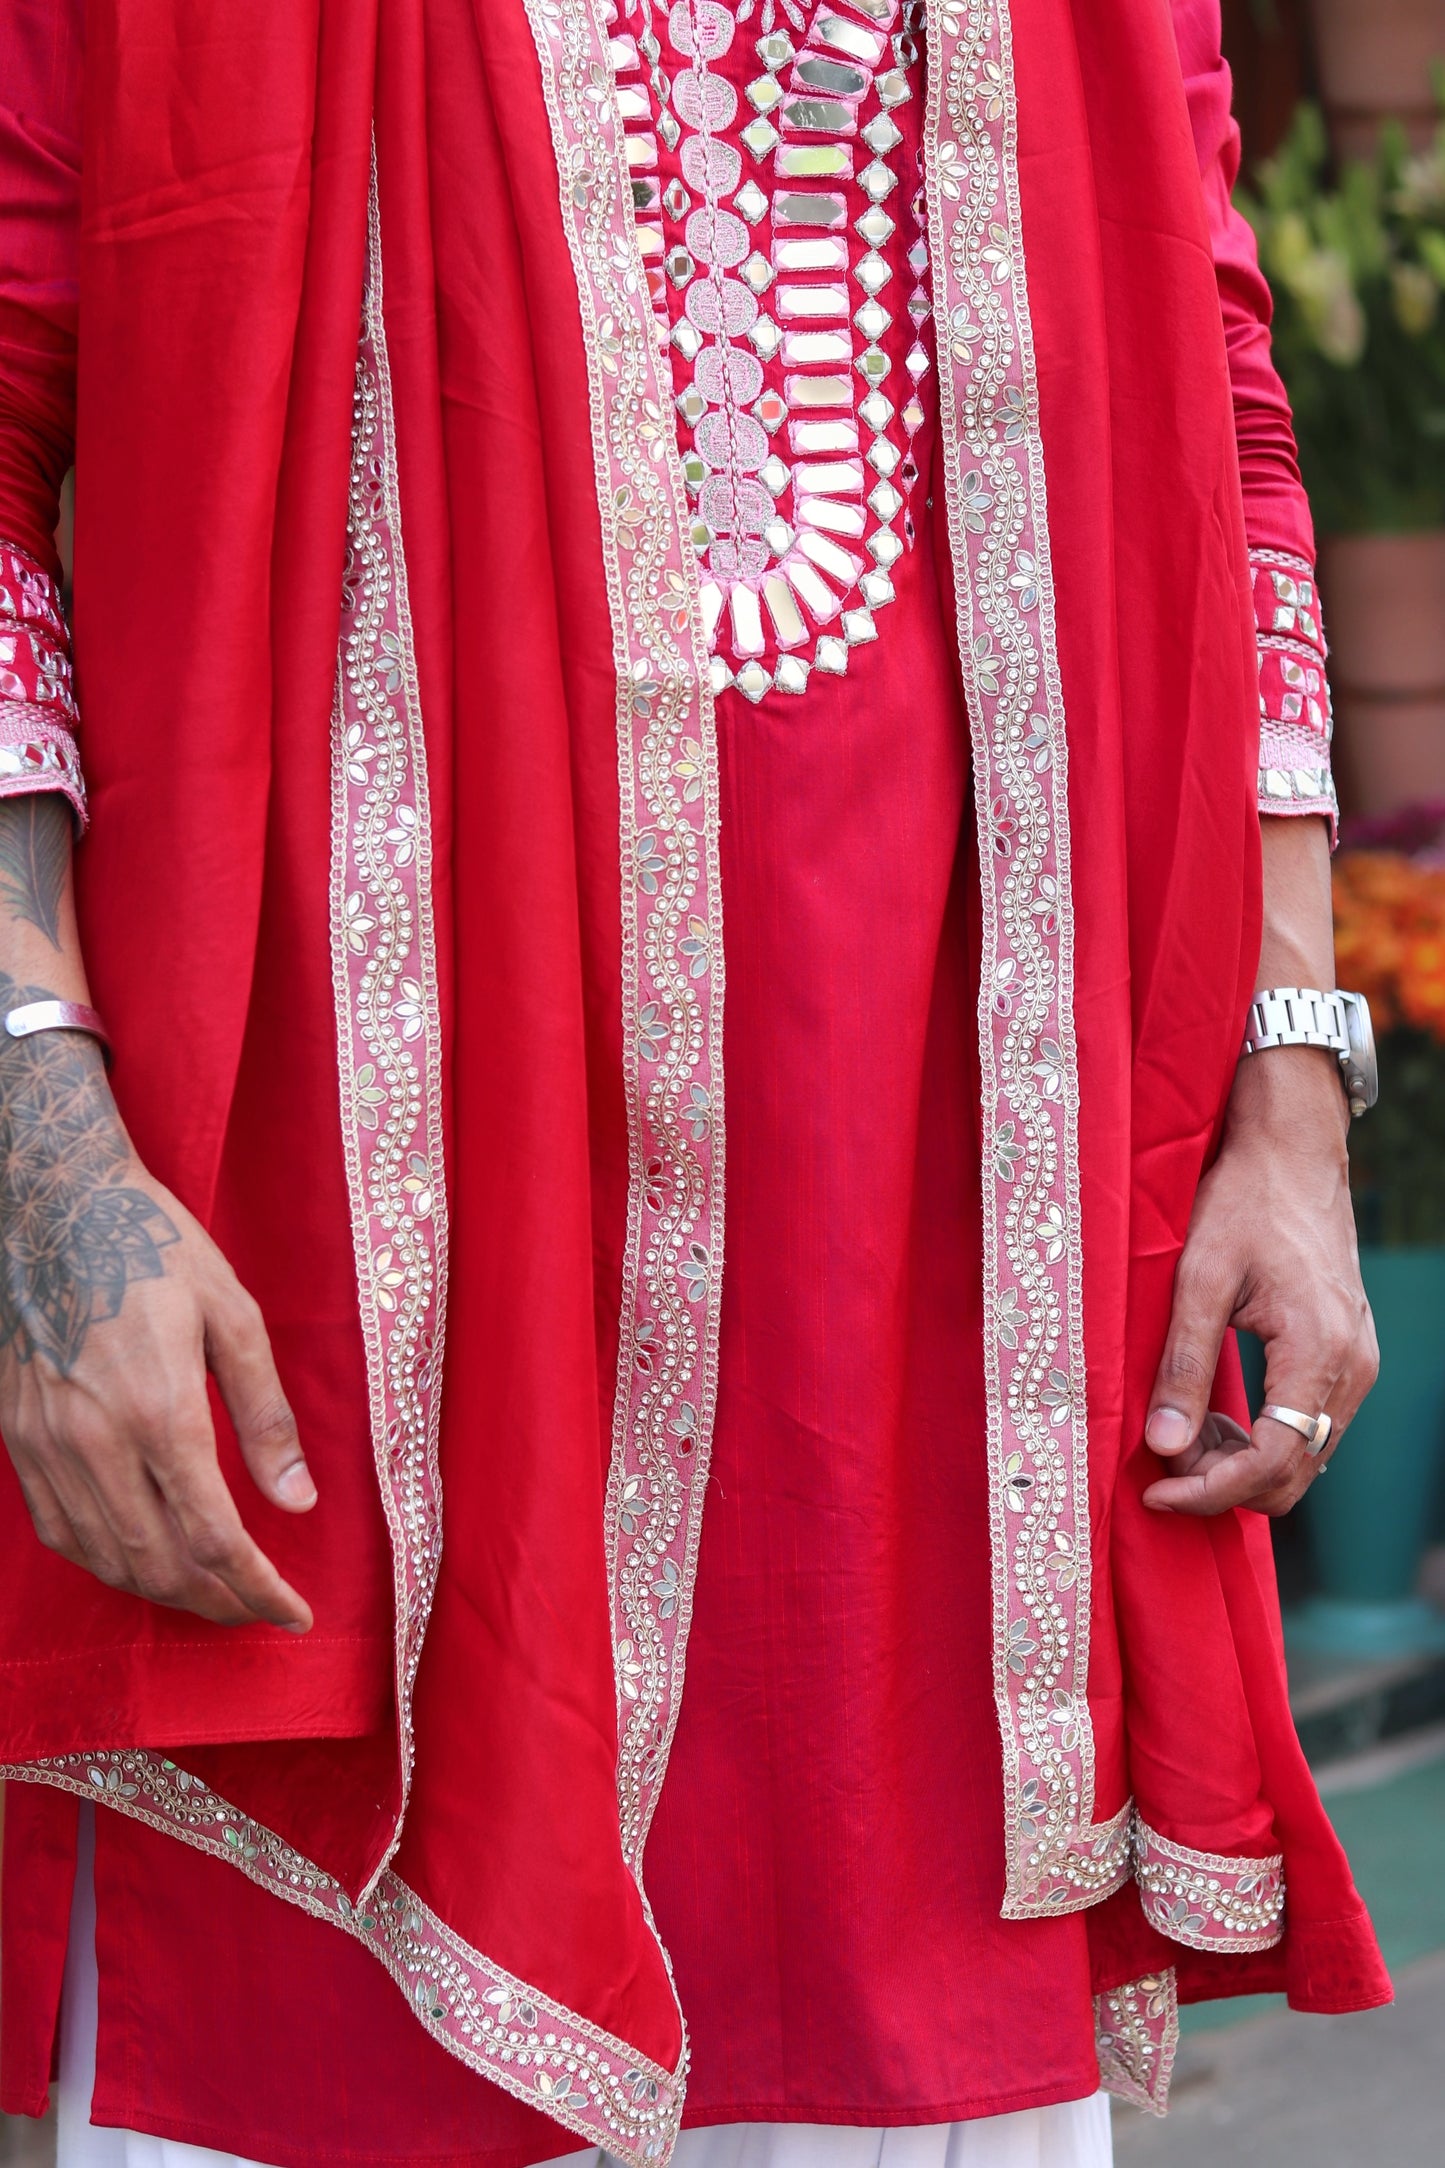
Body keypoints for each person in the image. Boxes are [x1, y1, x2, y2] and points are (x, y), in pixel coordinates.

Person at [0, 3, 1391, 2166]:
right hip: (367, 1368)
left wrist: (1292, 1096)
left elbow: (1221, 407)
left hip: (955, 1382)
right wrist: (40, 1140)